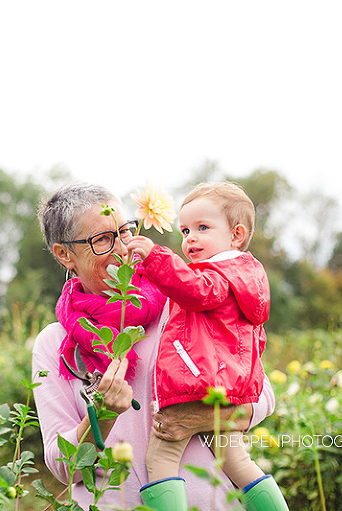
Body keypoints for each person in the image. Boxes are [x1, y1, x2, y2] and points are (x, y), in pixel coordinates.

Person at [32, 183, 276, 510]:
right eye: (102, 239)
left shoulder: (181, 307)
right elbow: (63, 468)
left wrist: (205, 417)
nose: (123, 248)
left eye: (125, 231)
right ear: (65, 254)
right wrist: (101, 416)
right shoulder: (54, 344)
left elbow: (262, 397)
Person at [128, 181, 289, 510]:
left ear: (236, 235)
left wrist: (155, 258)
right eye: (185, 230)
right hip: (228, 390)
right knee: (237, 461)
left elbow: (195, 290)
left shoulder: (218, 275)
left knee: (161, 458)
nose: (191, 238)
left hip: (196, 383)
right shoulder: (247, 277)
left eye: (203, 228)